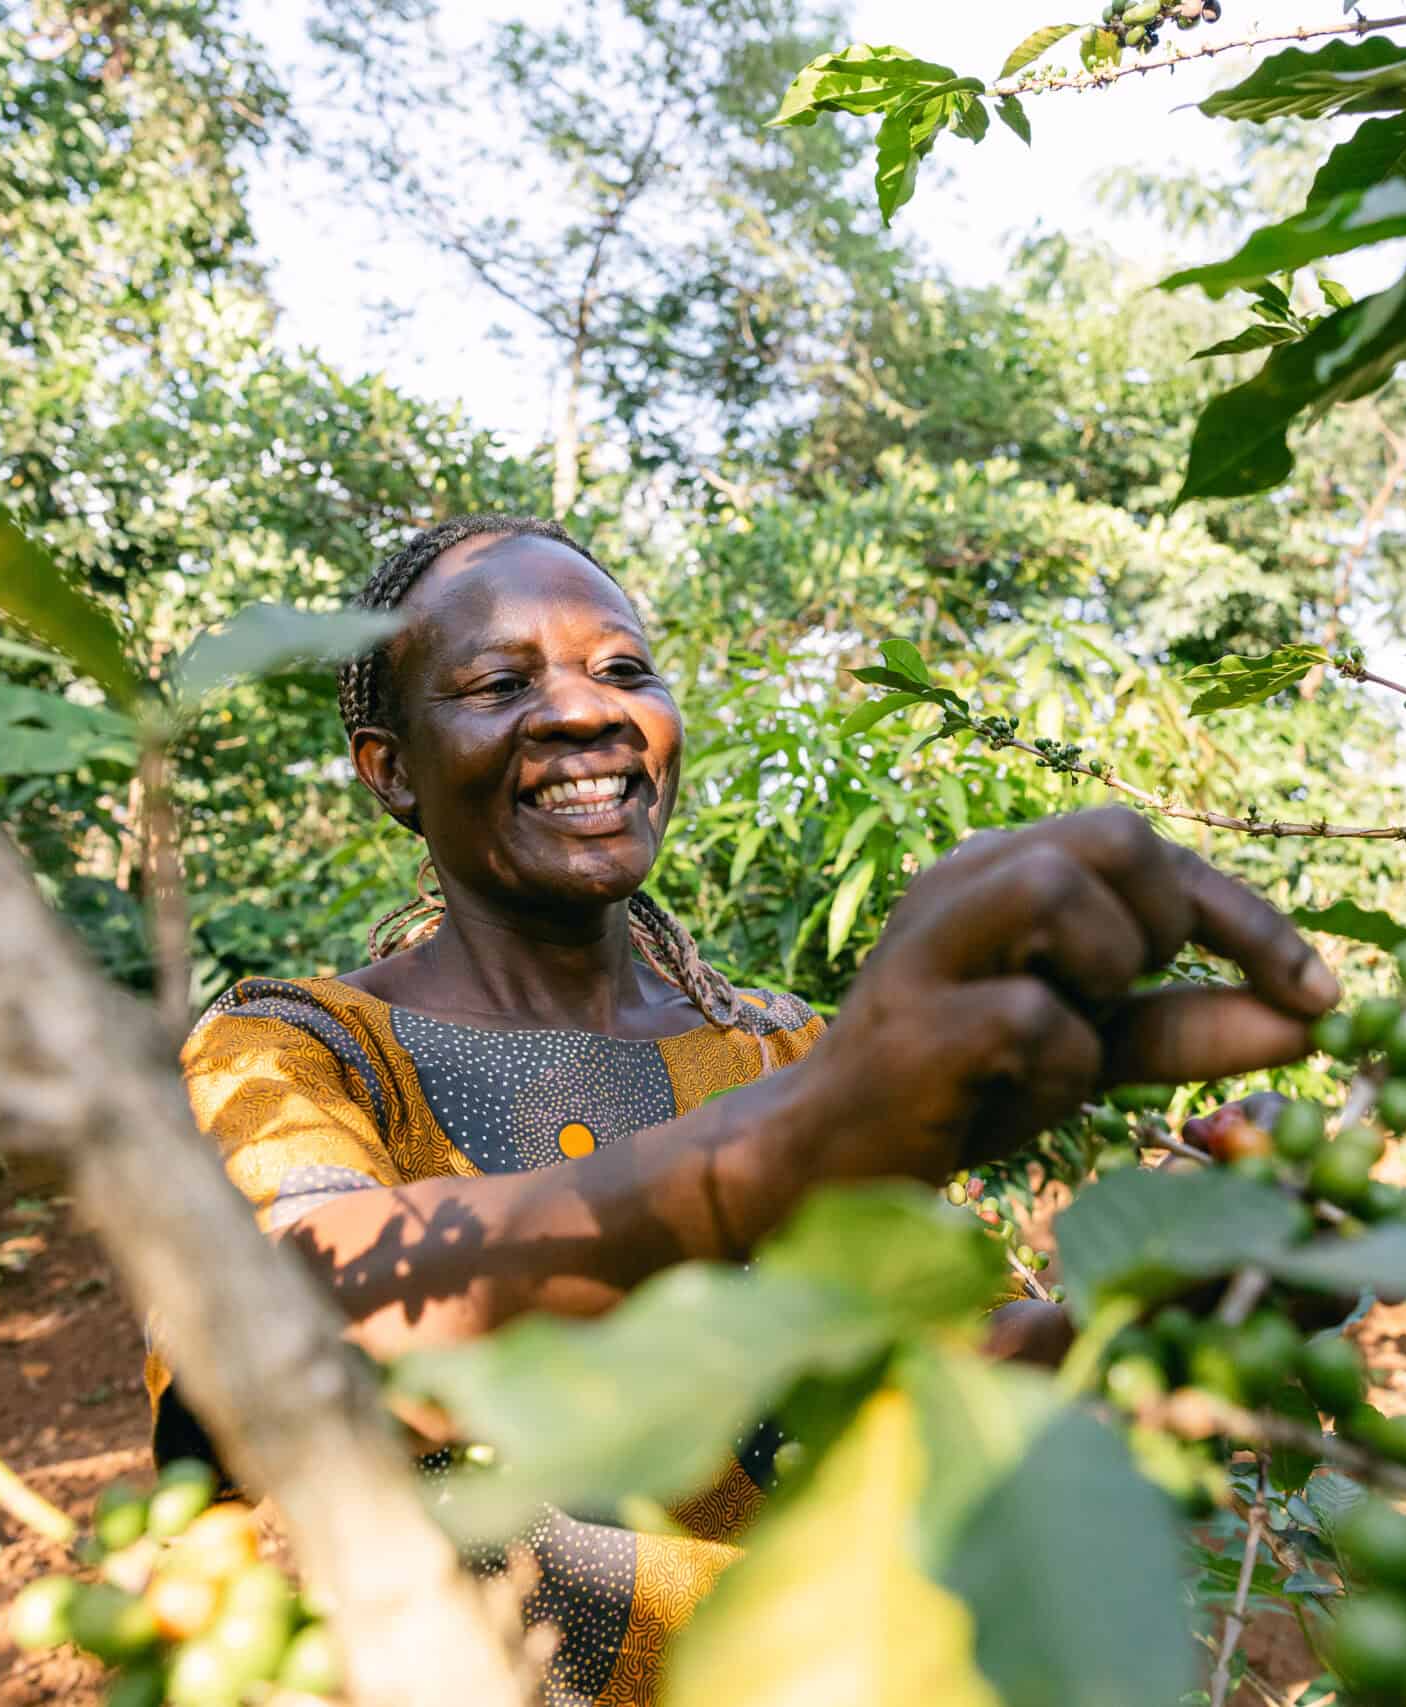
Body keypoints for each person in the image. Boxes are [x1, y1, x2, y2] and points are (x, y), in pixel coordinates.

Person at [152, 514, 1339, 1706]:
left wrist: (1160, 1301)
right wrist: (800, 1137)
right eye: (499, 683)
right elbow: (286, 1338)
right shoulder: (297, 1049)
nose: (584, 713)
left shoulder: (785, 1048)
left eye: (624, 670)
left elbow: (947, 1365)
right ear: (391, 768)